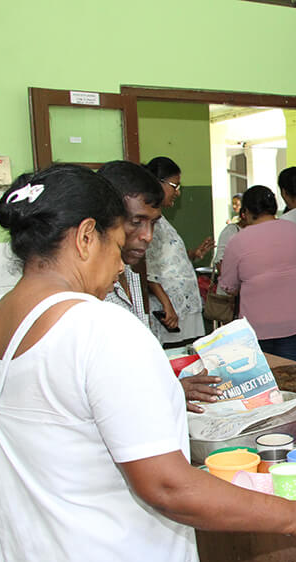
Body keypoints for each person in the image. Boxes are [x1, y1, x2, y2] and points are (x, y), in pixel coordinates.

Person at [0, 165, 296, 562]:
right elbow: (168, 486)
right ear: (84, 238)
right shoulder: (100, 329)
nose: (121, 266)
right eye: (117, 246)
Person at [98, 160, 224, 413]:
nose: (148, 236)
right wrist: (169, 390)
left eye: (152, 223)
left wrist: (170, 385)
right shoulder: (91, 293)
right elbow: (106, 388)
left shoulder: (131, 274)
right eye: (136, 222)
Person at [219, 186, 296, 362]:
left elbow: (228, 286)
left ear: (245, 211)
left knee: (263, 379)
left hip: (259, 325)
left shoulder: (239, 240)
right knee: (292, 374)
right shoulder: (294, 231)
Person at [144, 156, 214, 346]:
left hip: (181, 306)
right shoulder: (149, 221)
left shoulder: (161, 220)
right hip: (170, 310)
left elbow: (164, 260)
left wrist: (192, 254)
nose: (178, 192)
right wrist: (167, 304)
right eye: (174, 186)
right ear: (158, 183)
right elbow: (147, 269)